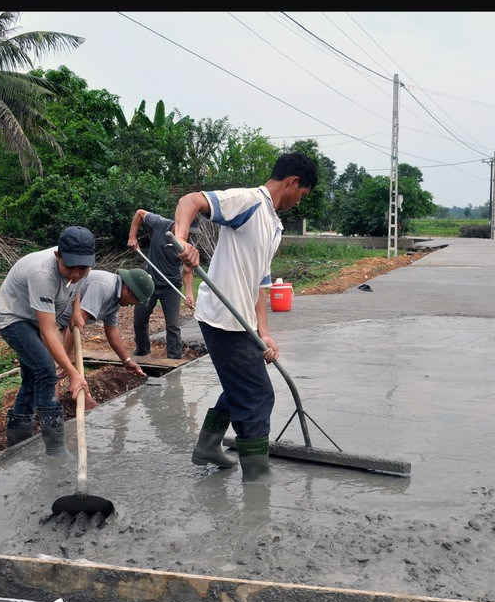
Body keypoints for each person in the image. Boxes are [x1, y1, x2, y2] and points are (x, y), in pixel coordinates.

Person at [173, 152, 318, 481]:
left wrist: (263, 331)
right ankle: (257, 477)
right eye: (302, 194)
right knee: (257, 394)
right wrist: (182, 240)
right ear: (292, 182)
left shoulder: (274, 224)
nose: (299, 202)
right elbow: (190, 201)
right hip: (222, 319)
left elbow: (261, 283)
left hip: (242, 322)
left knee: (241, 384)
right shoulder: (249, 201)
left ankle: (208, 446)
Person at [0, 226, 95, 455]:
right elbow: (49, 332)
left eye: (83, 268)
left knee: (32, 376)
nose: (76, 274)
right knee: (46, 371)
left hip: (35, 318)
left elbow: (75, 286)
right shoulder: (42, 273)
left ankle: (18, 439)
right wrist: (73, 373)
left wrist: (76, 309)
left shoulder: (77, 269)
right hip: (14, 318)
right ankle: (56, 448)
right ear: (58, 255)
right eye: (70, 268)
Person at [55, 268, 155, 393]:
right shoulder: (104, 286)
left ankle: (78, 399)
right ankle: (52, 407)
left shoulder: (116, 298)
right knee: (55, 368)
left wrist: (127, 361)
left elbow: (111, 330)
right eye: (136, 301)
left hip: (66, 325)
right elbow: (76, 322)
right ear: (128, 290)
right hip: (53, 319)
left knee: (67, 366)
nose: (133, 305)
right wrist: (65, 359)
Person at [128, 209, 195, 359]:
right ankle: (142, 351)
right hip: (149, 282)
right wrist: (132, 236)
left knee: (172, 325)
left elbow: (187, 269)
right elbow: (139, 213)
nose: (186, 235)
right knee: (140, 318)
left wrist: (189, 292)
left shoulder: (189, 243)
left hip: (171, 286)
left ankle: (174, 357)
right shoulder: (160, 224)